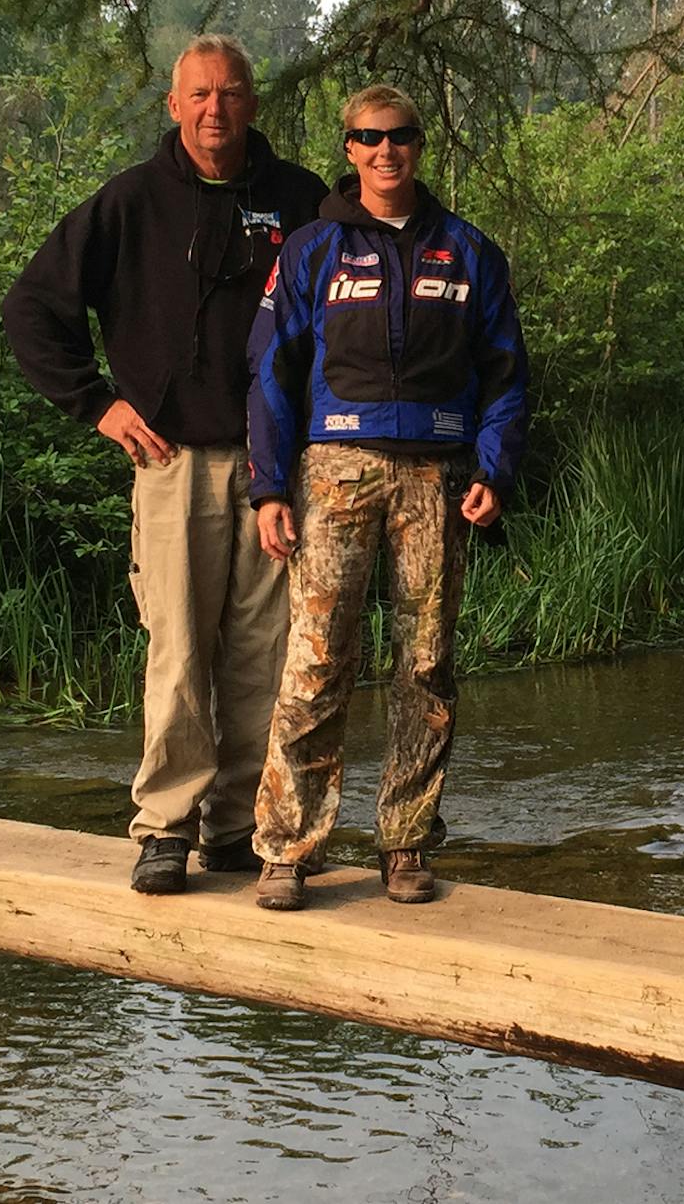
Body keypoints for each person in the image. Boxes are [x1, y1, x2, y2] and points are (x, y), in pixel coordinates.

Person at [2, 34, 328, 895]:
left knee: (265, 655)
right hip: (173, 460)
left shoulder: (301, 201)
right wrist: (99, 405)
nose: (215, 109)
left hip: (276, 469)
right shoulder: (131, 203)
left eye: (230, 93)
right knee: (179, 654)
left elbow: (357, 301)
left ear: (253, 104)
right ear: (174, 106)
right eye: (199, 95)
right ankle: (165, 827)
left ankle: (238, 828)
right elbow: (32, 308)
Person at [244, 83, 527, 910]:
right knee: (317, 659)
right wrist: (268, 486)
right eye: (369, 138)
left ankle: (404, 844)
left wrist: (493, 471)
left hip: (437, 474)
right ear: (350, 150)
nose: (385, 151)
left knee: (427, 664)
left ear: (419, 144)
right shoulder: (311, 250)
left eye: (400, 136)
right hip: (334, 470)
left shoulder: (469, 251)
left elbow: (507, 374)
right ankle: (288, 849)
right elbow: (270, 371)